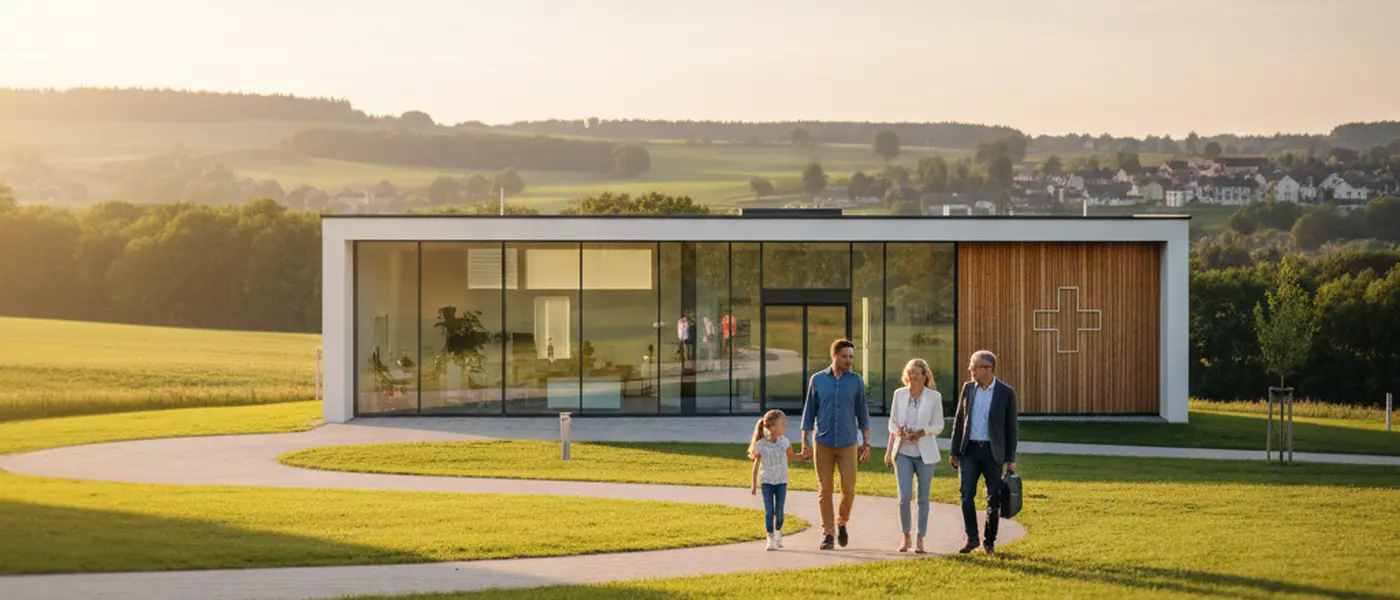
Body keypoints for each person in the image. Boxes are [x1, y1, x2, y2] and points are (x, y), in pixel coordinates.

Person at [800, 338, 871, 550]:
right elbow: (809, 411)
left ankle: (842, 523)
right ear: (834, 356)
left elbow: (863, 412)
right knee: (825, 490)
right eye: (845, 357)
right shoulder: (818, 380)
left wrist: (866, 442)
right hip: (823, 442)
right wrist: (805, 440)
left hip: (848, 442)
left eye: (851, 357)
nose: (849, 361)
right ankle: (828, 533)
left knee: (848, 489)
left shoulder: (856, 381)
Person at [949, 350, 1018, 556]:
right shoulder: (968, 388)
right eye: (972, 366)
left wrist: (1011, 459)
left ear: (989, 369)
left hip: (992, 453)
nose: (971, 370)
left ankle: (989, 541)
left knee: (993, 499)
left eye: (975, 366)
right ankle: (971, 539)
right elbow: (959, 420)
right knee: (966, 496)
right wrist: (954, 451)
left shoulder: (1006, 393)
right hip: (969, 450)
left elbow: (1011, 428)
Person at [884, 358, 943, 554]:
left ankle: (920, 538)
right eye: (910, 372)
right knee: (904, 496)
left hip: (924, 453)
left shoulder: (934, 397)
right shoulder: (899, 395)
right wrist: (899, 431)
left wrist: (922, 432)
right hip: (903, 452)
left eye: (916, 372)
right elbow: (891, 423)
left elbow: (939, 425)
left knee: (923, 498)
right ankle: (906, 536)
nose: (912, 376)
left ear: (925, 375)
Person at [748, 409, 806, 551]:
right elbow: (756, 465)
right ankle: (770, 538)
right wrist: (754, 485)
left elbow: (793, 457)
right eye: (783, 423)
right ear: (773, 425)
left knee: (779, 508)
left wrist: (805, 456)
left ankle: (778, 533)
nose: (786, 425)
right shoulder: (761, 444)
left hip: (781, 481)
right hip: (767, 481)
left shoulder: (784, 442)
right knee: (769, 510)